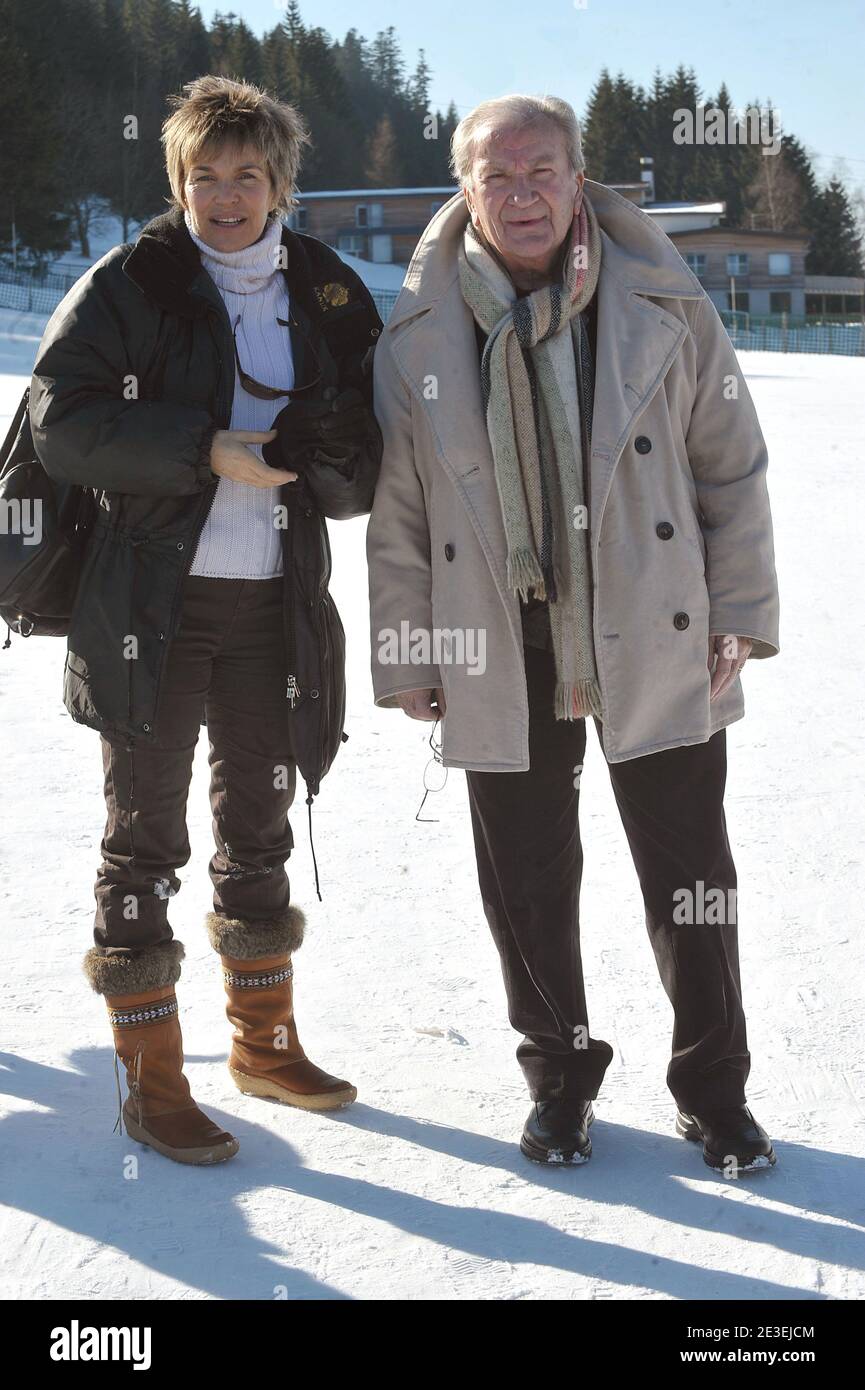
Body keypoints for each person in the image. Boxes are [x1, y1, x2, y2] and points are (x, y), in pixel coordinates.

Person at [367, 95, 780, 1174]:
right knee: (526, 882)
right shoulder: (419, 329)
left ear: (579, 176)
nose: (521, 193)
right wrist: (409, 652)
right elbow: (402, 511)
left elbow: (730, 466)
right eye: (496, 176)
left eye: (540, 169)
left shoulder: (665, 301)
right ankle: (557, 1078)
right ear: (464, 189)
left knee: (691, 873)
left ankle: (714, 1090)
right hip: (496, 639)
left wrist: (739, 615)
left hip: (658, 631)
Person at [30, 75, 382, 1166]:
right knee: (143, 838)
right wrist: (206, 451)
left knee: (260, 824)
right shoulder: (131, 280)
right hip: (150, 605)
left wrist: (326, 455)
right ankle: (152, 1077)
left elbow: (363, 465)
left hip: (274, 607)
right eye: (203, 176)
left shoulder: (325, 288)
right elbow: (61, 423)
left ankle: (263, 1042)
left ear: (280, 180)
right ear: (176, 181)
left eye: (246, 174)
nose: (225, 196)